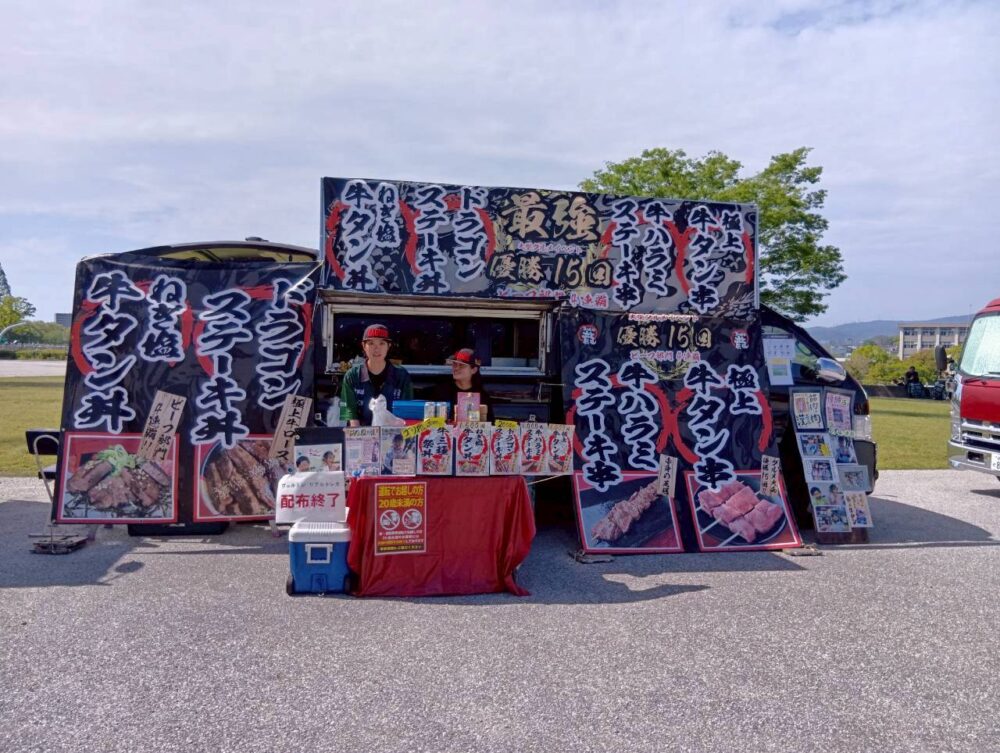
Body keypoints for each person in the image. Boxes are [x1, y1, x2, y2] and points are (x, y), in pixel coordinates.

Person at [340, 323, 413, 426]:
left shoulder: (401, 375)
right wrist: (358, 433)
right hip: (362, 431)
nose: (377, 349)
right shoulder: (352, 376)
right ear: (364, 346)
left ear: (388, 346)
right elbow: (351, 413)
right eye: (371, 343)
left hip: (394, 432)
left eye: (382, 343)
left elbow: (407, 412)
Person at [431, 348, 494, 421]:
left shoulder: (483, 396)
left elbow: (490, 423)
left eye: (461, 365)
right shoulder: (441, 391)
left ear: (473, 370)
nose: (456, 368)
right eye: (455, 364)